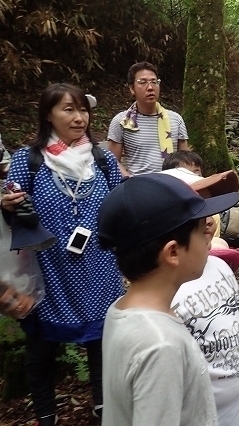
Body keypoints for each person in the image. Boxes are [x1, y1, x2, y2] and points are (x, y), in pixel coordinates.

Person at [0, 83, 124, 426]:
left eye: (82, 109)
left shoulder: (102, 159)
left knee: (102, 341)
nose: (78, 117)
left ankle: (103, 404)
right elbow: (13, 212)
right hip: (47, 268)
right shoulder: (30, 159)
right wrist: (7, 205)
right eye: (68, 109)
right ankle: (45, 410)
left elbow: (120, 206)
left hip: (99, 266)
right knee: (40, 345)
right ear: (48, 114)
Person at [97, 173, 239, 426]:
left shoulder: (121, 310)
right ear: (173, 252)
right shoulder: (161, 345)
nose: (209, 236)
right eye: (200, 231)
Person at [162, 166, 239, 426]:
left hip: (235, 413)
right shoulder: (165, 291)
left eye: (209, 209)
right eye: (197, 210)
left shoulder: (220, 268)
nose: (211, 220)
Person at [107, 61, 189, 176]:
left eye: (154, 82)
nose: (150, 87)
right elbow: (112, 161)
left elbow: (186, 159)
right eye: (143, 82)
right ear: (132, 88)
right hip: (139, 186)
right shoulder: (122, 122)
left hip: (172, 184)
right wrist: (128, 179)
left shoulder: (175, 119)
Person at [163, 150, 222, 238]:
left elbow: (212, 246)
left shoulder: (213, 215)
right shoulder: (164, 213)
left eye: (197, 174)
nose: (192, 178)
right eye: (185, 174)